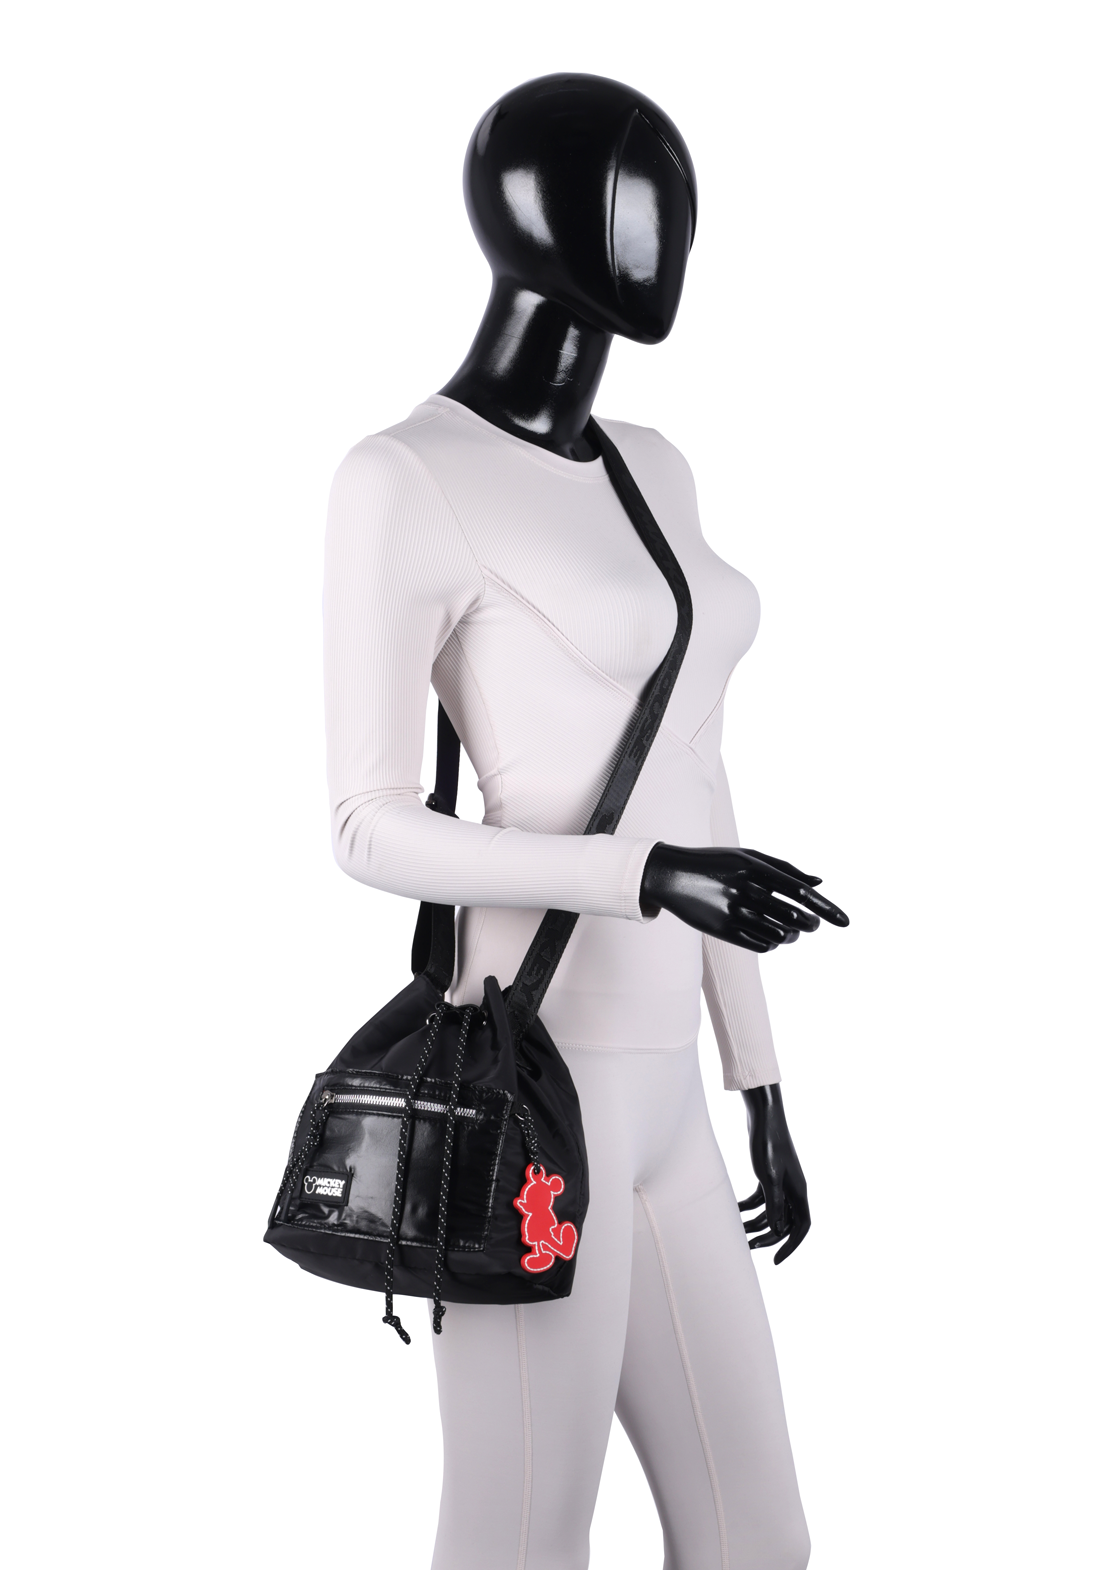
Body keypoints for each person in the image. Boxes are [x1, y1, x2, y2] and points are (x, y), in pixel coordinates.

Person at [324, 72, 847, 1570]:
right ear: (524, 219)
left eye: (672, 200)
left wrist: (758, 1072)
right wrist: (645, 875)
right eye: (626, 196)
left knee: (759, 1539)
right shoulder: (405, 477)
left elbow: (697, 769)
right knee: (519, 1540)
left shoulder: (653, 466)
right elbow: (365, 826)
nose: (655, 231)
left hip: (671, 1090)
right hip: (525, 1081)